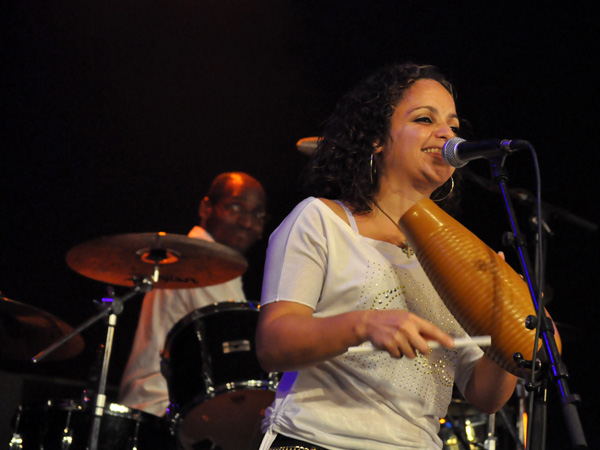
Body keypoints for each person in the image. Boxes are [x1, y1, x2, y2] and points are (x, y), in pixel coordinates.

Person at [255, 63, 518, 450]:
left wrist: (510, 334)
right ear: (377, 138)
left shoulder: (456, 254)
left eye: (453, 125)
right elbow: (273, 344)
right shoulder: (321, 220)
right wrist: (364, 324)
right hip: (317, 440)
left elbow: (482, 392)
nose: (446, 134)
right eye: (425, 119)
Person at [118, 171, 268, 417]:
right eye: (236, 208)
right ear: (206, 207)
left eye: (257, 214)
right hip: (161, 407)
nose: (247, 222)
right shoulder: (201, 261)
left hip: (175, 406)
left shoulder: (217, 265)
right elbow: (233, 357)